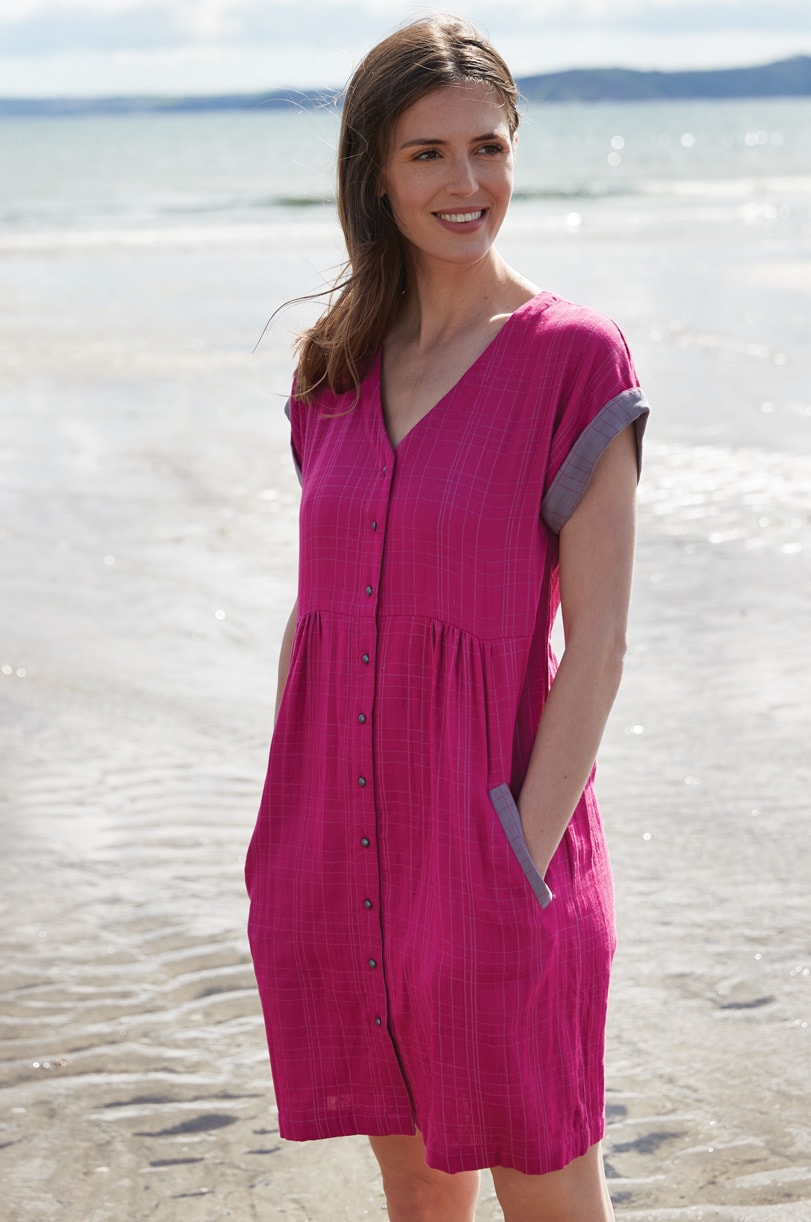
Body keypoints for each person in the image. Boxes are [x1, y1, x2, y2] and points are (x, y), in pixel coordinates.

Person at [245, 14, 649, 1221]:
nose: (466, 182)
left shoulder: (573, 357)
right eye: (428, 153)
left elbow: (599, 644)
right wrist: (286, 822)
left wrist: (518, 857)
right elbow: (317, 614)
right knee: (418, 1193)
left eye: (488, 148)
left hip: (493, 844)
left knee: (546, 1188)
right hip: (338, 841)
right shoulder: (331, 369)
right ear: (374, 171)